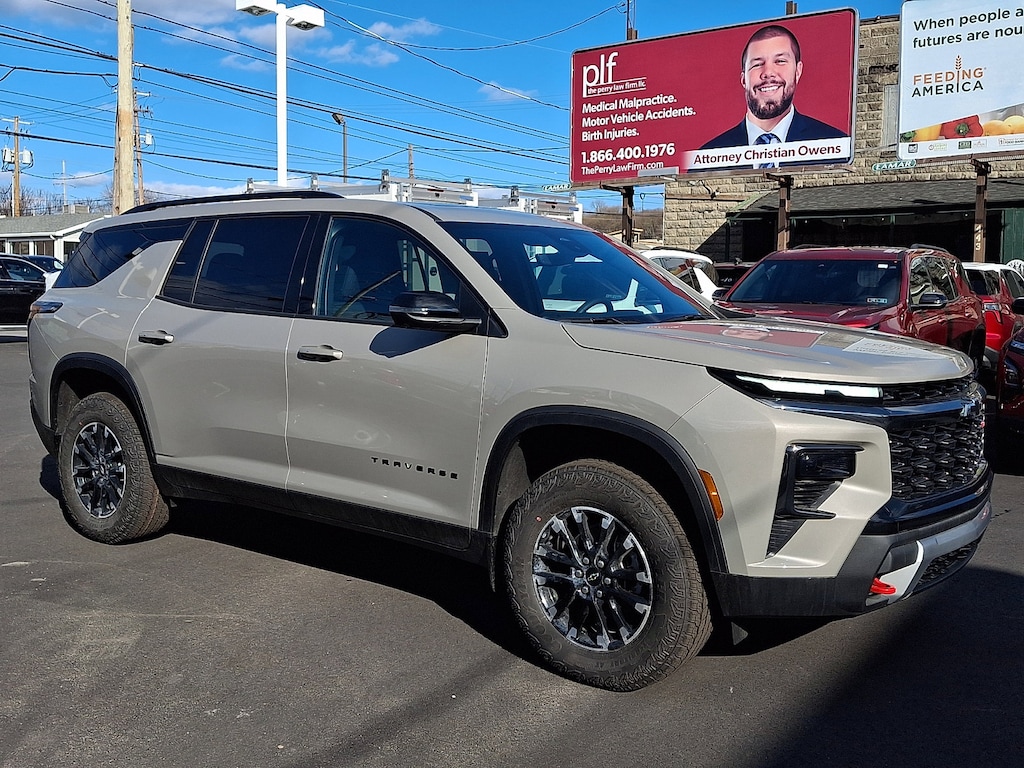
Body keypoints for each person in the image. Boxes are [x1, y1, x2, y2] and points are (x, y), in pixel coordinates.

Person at [699, 24, 847, 159]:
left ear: (798, 71)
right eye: (757, 64)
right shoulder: (707, 157)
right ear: (743, 79)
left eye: (780, 61)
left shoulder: (836, 145)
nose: (768, 73)